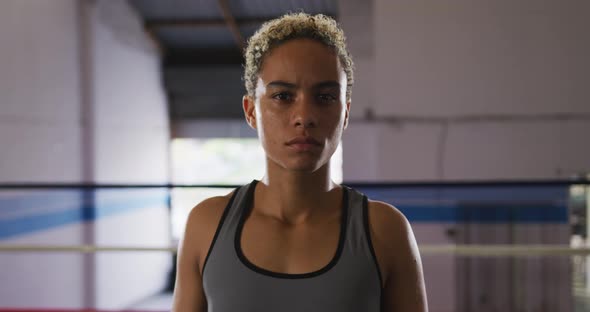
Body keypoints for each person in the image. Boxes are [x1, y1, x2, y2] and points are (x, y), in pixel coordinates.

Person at [172, 12, 428, 312]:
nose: (304, 117)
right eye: (282, 95)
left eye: (325, 97)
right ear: (251, 111)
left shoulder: (385, 230)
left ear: (345, 113)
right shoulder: (206, 225)